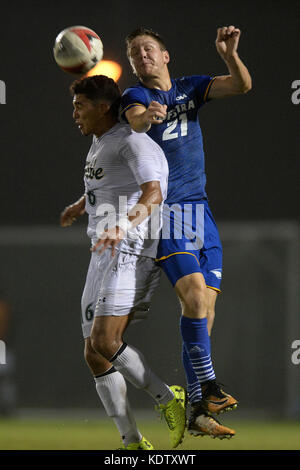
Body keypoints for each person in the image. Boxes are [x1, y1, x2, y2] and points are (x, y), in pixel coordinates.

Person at [121, 26, 252, 438]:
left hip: (202, 214)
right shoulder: (137, 96)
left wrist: (229, 54)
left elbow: (242, 86)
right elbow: (137, 121)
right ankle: (211, 388)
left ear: (165, 56)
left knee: (204, 313)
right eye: (134, 52)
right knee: (195, 296)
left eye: (148, 49)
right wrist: (148, 117)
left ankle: (197, 409)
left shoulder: (189, 89)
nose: (141, 56)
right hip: (168, 214)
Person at [60, 75, 186, 450]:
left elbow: (153, 193)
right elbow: (105, 185)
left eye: (80, 106)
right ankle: (132, 441)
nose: (74, 114)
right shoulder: (100, 144)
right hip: (103, 249)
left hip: (130, 248)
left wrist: (122, 224)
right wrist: (81, 205)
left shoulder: (134, 141)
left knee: (105, 340)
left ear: (102, 107)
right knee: (93, 354)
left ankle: (169, 398)